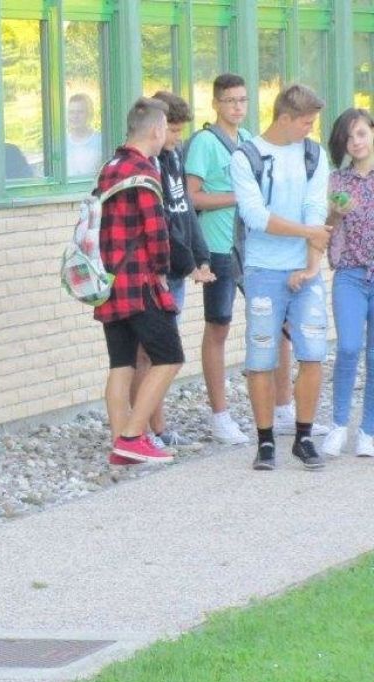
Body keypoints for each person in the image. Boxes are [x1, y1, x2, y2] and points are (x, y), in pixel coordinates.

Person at [231, 84, 332, 471]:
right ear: (285, 118)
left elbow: (315, 207)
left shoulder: (313, 154)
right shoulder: (247, 156)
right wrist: (309, 233)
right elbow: (255, 217)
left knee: (313, 353)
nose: (311, 129)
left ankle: (303, 438)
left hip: (305, 270)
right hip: (262, 270)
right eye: (306, 122)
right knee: (261, 358)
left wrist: (310, 266)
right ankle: (266, 442)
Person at [95, 97, 184, 465]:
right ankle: (133, 436)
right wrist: (163, 271)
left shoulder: (110, 166)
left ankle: (120, 445)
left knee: (121, 364)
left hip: (108, 281)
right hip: (139, 282)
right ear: (157, 130)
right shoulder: (145, 171)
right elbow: (156, 232)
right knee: (169, 357)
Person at [136, 90, 217, 449]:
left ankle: (157, 428)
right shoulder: (144, 165)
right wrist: (188, 264)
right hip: (154, 271)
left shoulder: (172, 157)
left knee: (162, 354)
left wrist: (201, 256)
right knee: (148, 354)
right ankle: (142, 430)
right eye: (173, 131)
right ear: (157, 126)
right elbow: (161, 223)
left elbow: (184, 212)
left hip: (175, 271)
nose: (177, 138)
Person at [185, 74, 255, 445]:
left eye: (242, 100)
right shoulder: (205, 143)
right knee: (218, 327)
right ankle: (220, 415)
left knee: (272, 322)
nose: (237, 107)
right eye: (230, 101)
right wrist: (236, 197)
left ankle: (281, 407)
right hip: (217, 247)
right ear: (216, 103)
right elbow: (192, 196)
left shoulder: (248, 140)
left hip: (249, 246)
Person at [321, 108, 374, 458]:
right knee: (349, 347)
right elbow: (324, 230)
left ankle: (368, 431)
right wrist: (334, 214)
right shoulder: (336, 181)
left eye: (361, 134)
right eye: (348, 137)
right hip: (350, 275)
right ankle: (339, 424)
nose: (355, 142)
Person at [67, 93, 103, 177]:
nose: (75, 116)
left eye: (80, 112)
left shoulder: (101, 141)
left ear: (89, 114)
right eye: (71, 112)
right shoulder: (61, 144)